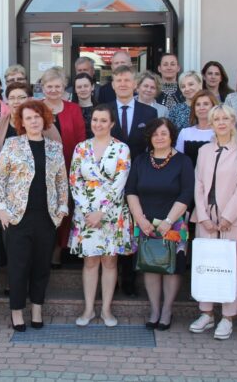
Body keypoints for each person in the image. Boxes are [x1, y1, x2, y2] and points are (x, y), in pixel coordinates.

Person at [0, 100, 69, 332]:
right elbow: (1, 178)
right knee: (18, 267)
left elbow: (61, 181)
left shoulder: (55, 147)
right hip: (16, 217)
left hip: (46, 217)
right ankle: (17, 312)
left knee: (41, 266)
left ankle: (37, 309)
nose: (34, 121)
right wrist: (1, 208)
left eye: (37, 117)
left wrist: (62, 208)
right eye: (29, 118)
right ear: (22, 122)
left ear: (44, 119)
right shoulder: (12, 144)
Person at [188, 104, 237, 340]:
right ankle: (206, 313)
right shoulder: (205, 150)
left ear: (233, 121)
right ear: (211, 123)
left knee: (228, 266)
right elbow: (198, 184)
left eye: (226, 118)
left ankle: (227, 316)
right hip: (206, 218)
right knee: (205, 264)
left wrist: (228, 216)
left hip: (229, 219)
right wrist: (203, 216)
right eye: (217, 119)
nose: (221, 123)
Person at [126, 117, 194, 330]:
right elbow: (131, 191)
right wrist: (140, 219)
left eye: (164, 133)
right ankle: (155, 310)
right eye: (155, 134)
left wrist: (168, 221)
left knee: (172, 267)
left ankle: (167, 311)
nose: (159, 137)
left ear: (172, 135)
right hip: (145, 222)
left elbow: (186, 193)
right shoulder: (141, 160)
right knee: (150, 265)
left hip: (174, 223)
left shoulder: (183, 161)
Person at [69, 104, 132, 327]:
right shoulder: (81, 148)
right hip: (86, 214)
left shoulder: (122, 148)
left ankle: (106, 310)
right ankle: (88, 309)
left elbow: (120, 182)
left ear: (112, 123)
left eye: (103, 120)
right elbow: (75, 180)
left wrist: (101, 212)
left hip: (112, 213)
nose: (98, 124)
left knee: (109, 261)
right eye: (95, 120)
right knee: (90, 261)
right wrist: (88, 212)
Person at [109, 64, 158, 296]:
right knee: (112, 228)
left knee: (132, 228)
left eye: (127, 80)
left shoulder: (149, 113)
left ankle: (128, 279)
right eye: (119, 80)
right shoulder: (104, 110)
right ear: (113, 85)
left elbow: (152, 147)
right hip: (108, 181)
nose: (123, 84)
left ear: (135, 84)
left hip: (138, 179)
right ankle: (109, 280)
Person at [41, 66, 86, 268]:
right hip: (41, 169)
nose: (53, 90)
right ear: (43, 87)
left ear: (64, 87)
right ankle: (44, 249)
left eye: (57, 86)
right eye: (49, 86)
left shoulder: (73, 109)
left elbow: (80, 140)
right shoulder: (35, 108)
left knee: (64, 209)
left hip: (68, 167)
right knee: (44, 210)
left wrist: (77, 168)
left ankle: (58, 251)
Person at [0, 82, 60, 150]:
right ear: (7, 101)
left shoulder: (45, 123)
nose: (16, 101)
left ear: (30, 99)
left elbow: (57, 149)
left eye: (21, 97)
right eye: (12, 98)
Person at [176, 90, 218, 166]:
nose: (201, 108)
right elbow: (178, 161)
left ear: (213, 107)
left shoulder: (220, 133)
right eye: (198, 104)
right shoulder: (185, 133)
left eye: (206, 104)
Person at [72, 72, 96, 138]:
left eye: (86, 86)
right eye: (79, 87)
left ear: (92, 87)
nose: (83, 89)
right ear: (75, 90)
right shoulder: (69, 110)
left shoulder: (100, 109)